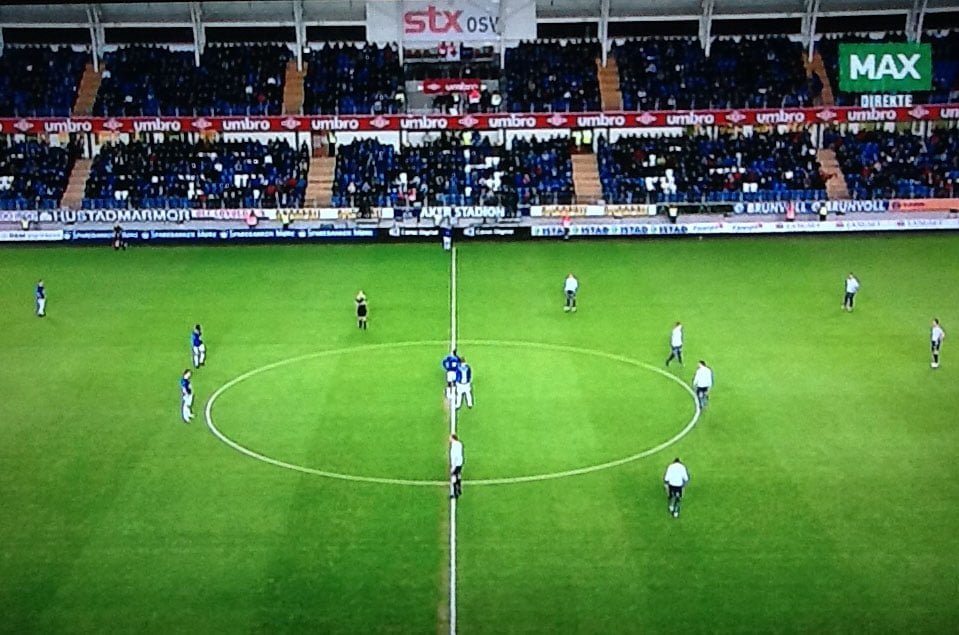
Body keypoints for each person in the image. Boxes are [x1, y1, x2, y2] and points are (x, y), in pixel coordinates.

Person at [449, 434, 464, 499]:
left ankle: (454, 493)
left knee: (453, 478)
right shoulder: (460, 444)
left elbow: (454, 457)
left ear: (453, 438)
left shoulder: (454, 446)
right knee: (458, 476)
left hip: (456, 464)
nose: (449, 439)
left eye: (450, 438)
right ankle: (459, 489)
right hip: (460, 463)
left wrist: (453, 467)